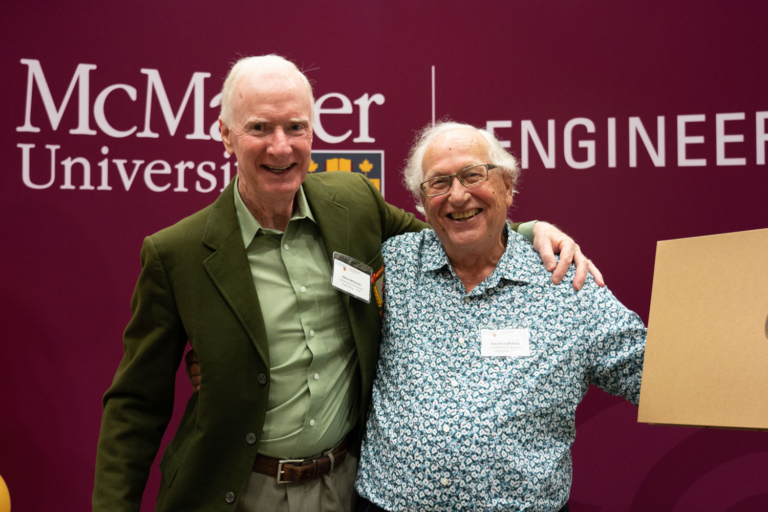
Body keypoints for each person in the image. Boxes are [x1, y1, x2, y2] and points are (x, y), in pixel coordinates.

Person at [93, 55, 599, 512]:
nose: (280, 146)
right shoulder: (176, 253)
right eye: (259, 128)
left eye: (296, 126)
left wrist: (529, 232)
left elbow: (449, 234)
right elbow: (136, 405)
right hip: (234, 490)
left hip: (342, 485)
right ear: (225, 135)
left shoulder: (352, 203)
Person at [354, 122, 646, 512]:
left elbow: (655, 373)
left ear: (507, 185)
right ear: (422, 202)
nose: (457, 196)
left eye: (473, 175)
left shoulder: (565, 281)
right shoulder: (394, 263)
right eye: (438, 183)